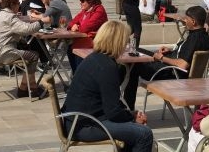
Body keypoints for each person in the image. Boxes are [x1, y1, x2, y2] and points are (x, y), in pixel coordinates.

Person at [61, 20, 154, 152]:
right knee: (144, 134)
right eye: (126, 40)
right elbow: (113, 112)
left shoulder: (95, 58)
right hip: (84, 126)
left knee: (132, 130)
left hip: (77, 121)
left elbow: (111, 105)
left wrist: (130, 115)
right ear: (118, 41)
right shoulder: (107, 66)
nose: (126, 45)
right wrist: (131, 116)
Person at [124, 6, 209, 110]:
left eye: (186, 19)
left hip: (172, 74)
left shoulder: (195, 38)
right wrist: (171, 52)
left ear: (193, 21)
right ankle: (127, 107)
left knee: (133, 65)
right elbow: (186, 55)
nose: (184, 21)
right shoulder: (204, 36)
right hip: (173, 71)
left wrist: (162, 58)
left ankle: (128, 108)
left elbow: (182, 64)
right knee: (138, 52)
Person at [0, 0, 43, 98]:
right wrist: (41, 22)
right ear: (12, 4)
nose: (19, 6)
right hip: (5, 53)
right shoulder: (10, 17)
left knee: (29, 53)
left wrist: (21, 40)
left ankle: (25, 88)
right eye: (18, 3)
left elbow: (9, 32)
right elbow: (26, 29)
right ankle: (31, 88)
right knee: (34, 55)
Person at [67, 0, 108, 72]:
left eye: (82, 0)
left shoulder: (99, 10)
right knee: (70, 48)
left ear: (90, 1)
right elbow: (71, 23)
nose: (80, 3)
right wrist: (74, 25)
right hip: (85, 41)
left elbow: (85, 28)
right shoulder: (85, 11)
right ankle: (77, 77)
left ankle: (79, 77)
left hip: (96, 43)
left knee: (76, 49)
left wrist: (77, 26)